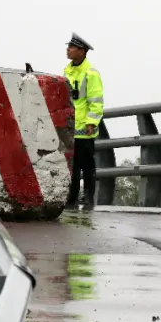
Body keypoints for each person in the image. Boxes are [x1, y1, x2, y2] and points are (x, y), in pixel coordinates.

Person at [63, 33, 104, 209]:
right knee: (72, 167)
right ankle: (70, 199)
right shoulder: (67, 71)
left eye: (72, 47)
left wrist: (91, 123)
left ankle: (88, 198)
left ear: (82, 51)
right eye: (68, 47)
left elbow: (96, 101)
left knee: (86, 166)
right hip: (70, 127)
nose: (68, 50)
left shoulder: (91, 73)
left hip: (85, 129)